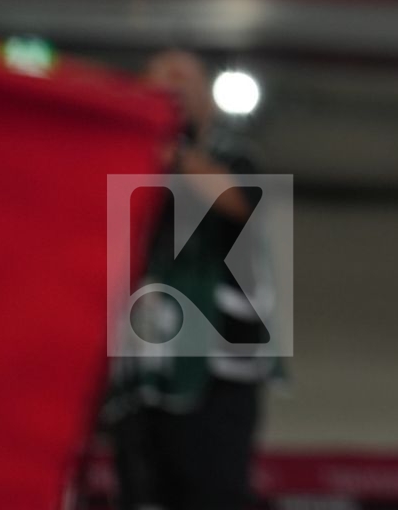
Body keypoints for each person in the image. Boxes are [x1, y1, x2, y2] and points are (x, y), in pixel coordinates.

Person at [105, 49, 274, 510]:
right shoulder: (119, 159)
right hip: (139, 359)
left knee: (212, 488)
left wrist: (172, 149)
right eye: (164, 76)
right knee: (141, 489)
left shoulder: (233, 157)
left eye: (187, 79)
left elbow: (242, 203)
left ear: (209, 102)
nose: (174, 85)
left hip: (217, 360)